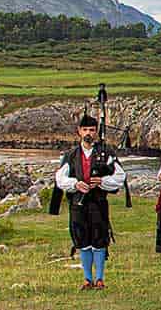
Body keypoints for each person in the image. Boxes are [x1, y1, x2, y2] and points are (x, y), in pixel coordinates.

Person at [51, 111, 127, 290]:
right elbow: (60, 179)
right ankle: (87, 279)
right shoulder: (70, 155)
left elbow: (120, 176)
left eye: (92, 130)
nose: (88, 133)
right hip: (78, 204)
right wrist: (75, 184)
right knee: (82, 240)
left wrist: (102, 181)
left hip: (98, 203)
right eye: (85, 129)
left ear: (96, 131)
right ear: (79, 131)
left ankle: (99, 279)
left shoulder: (106, 152)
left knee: (99, 239)